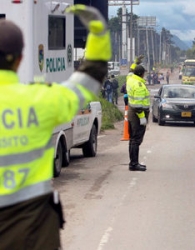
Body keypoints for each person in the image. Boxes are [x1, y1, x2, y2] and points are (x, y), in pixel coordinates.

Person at [0, 5, 111, 250]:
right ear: (20, 59)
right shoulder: (40, 100)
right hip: (33, 227)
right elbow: (88, 81)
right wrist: (98, 34)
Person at [126, 65, 150, 171]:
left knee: (132, 139)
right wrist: (142, 118)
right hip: (137, 114)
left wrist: (135, 63)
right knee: (136, 140)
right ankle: (134, 164)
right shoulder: (139, 85)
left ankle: (133, 162)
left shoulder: (130, 79)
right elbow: (138, 106)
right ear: (141, 74)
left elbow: (130, 72)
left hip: (131, 111)